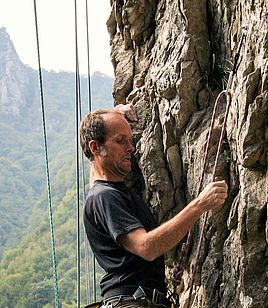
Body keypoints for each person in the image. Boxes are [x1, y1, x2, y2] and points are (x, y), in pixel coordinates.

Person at [80, 107, 228, 307]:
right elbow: (146, 247)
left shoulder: (104, 191)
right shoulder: (105, 196)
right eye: (120, 141)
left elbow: (96, 163)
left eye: (130, 140)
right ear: (96, 148)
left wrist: (114, 115)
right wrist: (199, 205)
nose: (131, 148)